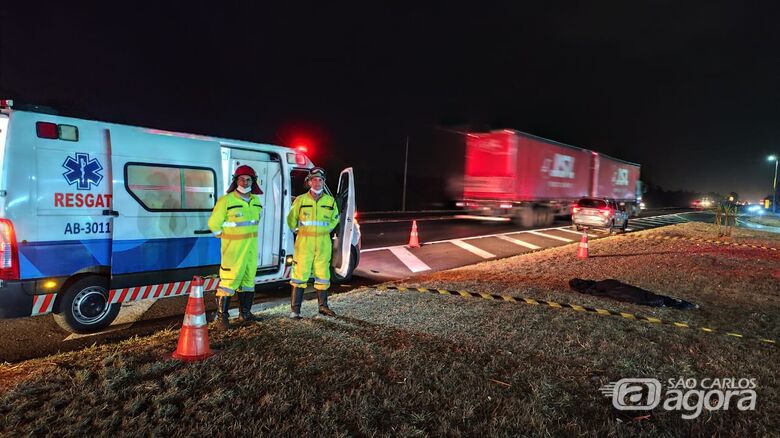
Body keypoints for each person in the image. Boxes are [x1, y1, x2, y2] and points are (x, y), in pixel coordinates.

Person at [208, 165, 264, 330]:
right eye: (242, 179)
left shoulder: (256, 200)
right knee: (228, 282)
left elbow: (255, 222)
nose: (245, 182)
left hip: (250, 250)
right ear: (236, 180)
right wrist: (222, 235)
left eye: (248, 179)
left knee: (248, 282)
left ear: (253, 182)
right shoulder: (226, 200)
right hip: (233, 251)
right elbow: (213, 223)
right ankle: (222, 318)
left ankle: (245, 314)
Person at [287, 167, 340, 318]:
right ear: (309, 182)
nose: (317, 182)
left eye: (320, 180)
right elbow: (291, 219)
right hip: (304, 244)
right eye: (315, 179)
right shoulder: (300, 200)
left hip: (323, 243)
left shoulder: (330, 201)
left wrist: (326, 230)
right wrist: (297, 230)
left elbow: (335, 218)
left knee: (323, 275)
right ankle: (295, 311)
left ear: (324, 182)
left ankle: (323, 307)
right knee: (299, 275)